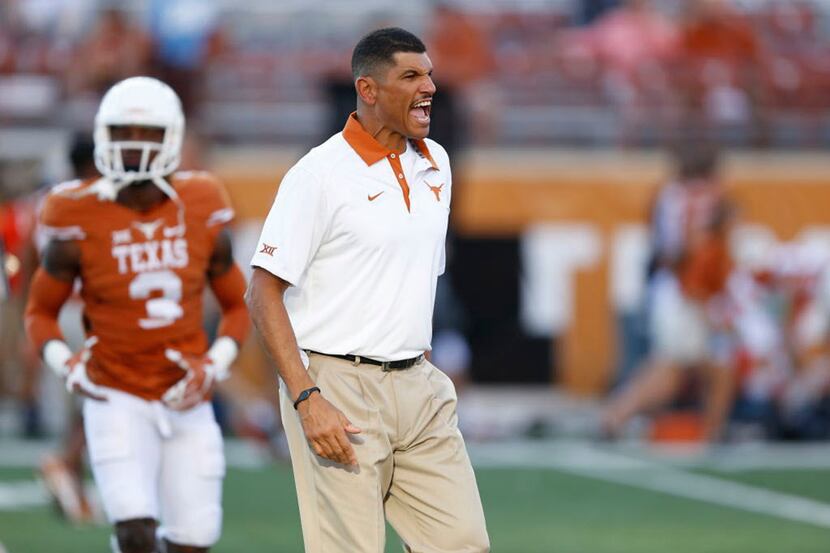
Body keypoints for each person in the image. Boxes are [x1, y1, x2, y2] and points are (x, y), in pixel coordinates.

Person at [247, 27, 490, 553]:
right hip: (338, 387)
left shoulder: (438, 164)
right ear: (369, 89)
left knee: (461, 544)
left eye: (429, 74)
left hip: (419, 386)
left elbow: (419, 275)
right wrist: (306, 396)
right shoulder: (318, 175)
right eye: (411, 76)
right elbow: (262, 293)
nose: (428, 86)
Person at [24, 76, 249, 553]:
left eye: (147, 133)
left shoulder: (202, 200)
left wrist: (215, 363)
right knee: (135, 530)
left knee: (194, 539)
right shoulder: (73, 210)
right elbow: (40, 312)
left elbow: (236, 305)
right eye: (124, 130)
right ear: (104, 134)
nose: (134, 144)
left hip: (185, 393)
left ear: (172, 137)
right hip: (115, 392)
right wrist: (67, 364)